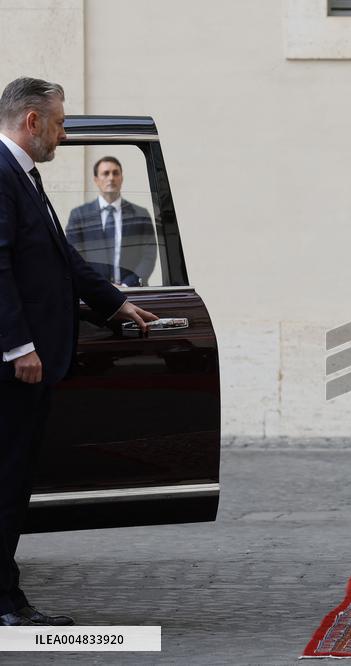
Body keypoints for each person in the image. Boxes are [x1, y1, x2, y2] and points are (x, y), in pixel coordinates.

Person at [0, 77, 157, 627]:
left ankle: (8, 594)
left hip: (32, 360)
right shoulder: (1, 173)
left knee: (16, 479)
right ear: (33, 121)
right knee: (7, 477)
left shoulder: (25, 176)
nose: (65, 135)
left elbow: (60, 255)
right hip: (15, 366)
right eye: (62, 123)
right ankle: (3, 602)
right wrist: (18, 345)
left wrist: (112, 304)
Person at [66, 156, 157, 287]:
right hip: (94, 295)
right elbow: (75, 257)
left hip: (134, 293)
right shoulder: (79, 215)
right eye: (105, 173)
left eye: (115, 173)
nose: (111, 178)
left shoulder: (140, 214)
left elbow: (149, 255)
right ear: (96, 180)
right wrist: (102, 287)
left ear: (122, 178)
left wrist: (128, 285)